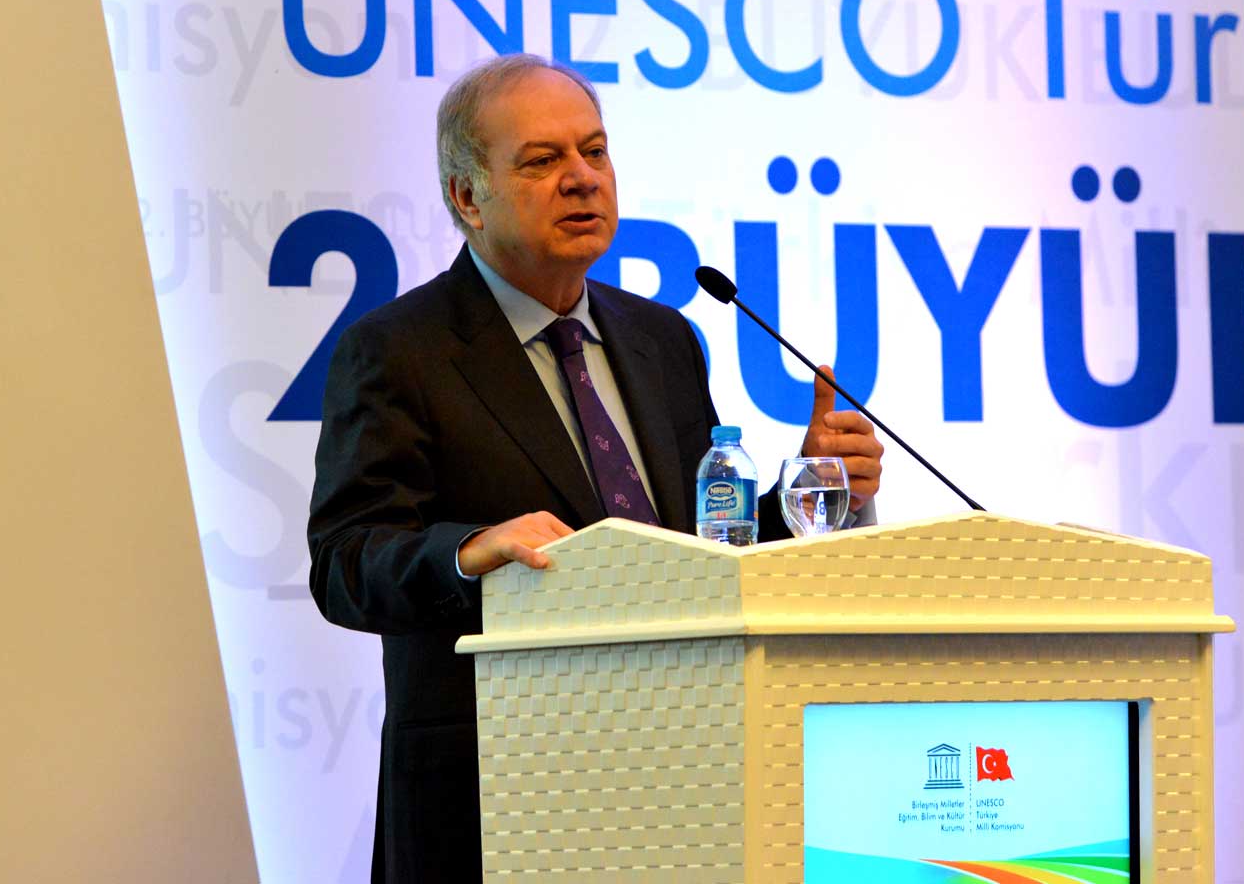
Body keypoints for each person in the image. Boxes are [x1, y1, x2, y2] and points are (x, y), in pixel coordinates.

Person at [307, 52, 883, 883]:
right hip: (496, 796)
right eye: (542, 160)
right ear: (467, 196)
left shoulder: (662, 339)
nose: (582, 178)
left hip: (688, 780)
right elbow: (345, 560)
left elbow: (697, 550)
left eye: (595, 151)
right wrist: (467, 552)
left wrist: (807, 488)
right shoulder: (400, 350)